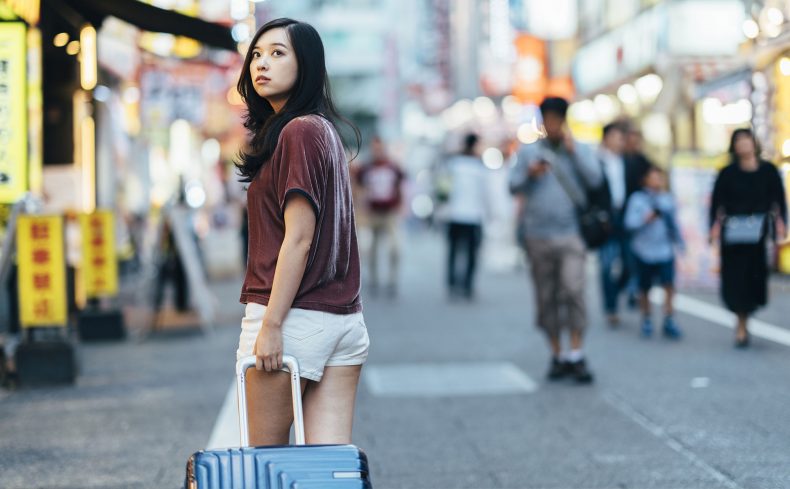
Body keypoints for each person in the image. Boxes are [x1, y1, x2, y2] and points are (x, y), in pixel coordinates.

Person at [234, 18, 369, 446]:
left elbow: (299, 237)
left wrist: (272, 324)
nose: (262, 63)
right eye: (257, 54)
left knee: (263, 460)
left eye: (278, 53)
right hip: (342, 320)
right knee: (325, 468)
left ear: (306, 63)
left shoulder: (298, 131)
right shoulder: (323, 131)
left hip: (292, 318)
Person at [510, 97, 602, 384]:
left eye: (556, 119)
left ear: (564, 120)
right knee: (546, 296)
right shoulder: (529, 151)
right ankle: (557, 354)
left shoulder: (580, 148)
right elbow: (512, 185)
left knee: (573, 290)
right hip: (537, 235)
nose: (551, 124)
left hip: (571, 233)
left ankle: (577, 353)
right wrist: (529, 174)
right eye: (547, 119)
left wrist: (574, 154)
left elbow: (596, 180)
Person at [709, 128, 787, 348]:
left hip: (758, 234)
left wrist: (781, 225)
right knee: (735, 279)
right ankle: (741, 323)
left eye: (747, 140)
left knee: (755, 278)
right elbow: (716, 204)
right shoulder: (727, 173)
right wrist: (713, 228)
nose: (743, 144)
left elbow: (779, 201)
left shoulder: (768, 171)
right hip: (733, 234)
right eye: (739, 141)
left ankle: (746, 315)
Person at [624, 165, 684, 339]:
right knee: (645, 287)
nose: (658, 181)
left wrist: (681, 244)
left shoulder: (667, 199)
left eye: (660, 177)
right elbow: (629, 223)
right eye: (654, 177)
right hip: (643, 250)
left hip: (665, 250)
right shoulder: (637, 199)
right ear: (645, 180)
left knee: (669, 285)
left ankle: (669, 318)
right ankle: (646, 318)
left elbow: (674, 225)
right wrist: (646, 218)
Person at [356, 136, 405, 297]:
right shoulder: (366, 168)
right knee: (372, 247)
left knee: (395, 247)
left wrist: (401, 205)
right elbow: (359, 187)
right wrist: (361, 205)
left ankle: (392, 281)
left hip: (389, 212)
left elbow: (399, 187)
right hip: (373, 212)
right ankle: (374, 279)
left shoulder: (393, 167)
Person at [444, 133, 488, 300]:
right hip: (473, 215)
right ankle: (467, 284)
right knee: (471, 253)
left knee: (454, 250)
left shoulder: (454, 164)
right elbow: (485, 193)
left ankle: (452, 282)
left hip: (455, 213)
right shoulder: (479, 166)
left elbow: (444, 188)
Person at [597, 122, 628, 326]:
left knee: (629, 264)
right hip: (605, 218)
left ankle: (616, 293)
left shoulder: (627, 161)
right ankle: (611, 306)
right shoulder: (596, 161)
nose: (620, 142)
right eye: (616, 137)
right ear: (606, 138)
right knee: (607, 264)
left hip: (625, 216)